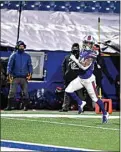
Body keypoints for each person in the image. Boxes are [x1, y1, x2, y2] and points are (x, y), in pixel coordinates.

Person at [65, 35, 109, 123]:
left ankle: (105, 113)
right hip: (81, 78)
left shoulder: (93, 54)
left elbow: (84, 67)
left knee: (95, 99)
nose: (88, 44)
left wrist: (74, 59)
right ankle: (81, 102)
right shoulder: (83, 51)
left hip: (89, 80)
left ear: (92, 44)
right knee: (68, 90)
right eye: (86, 42)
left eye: (90, 43)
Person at [4, 41, 33, 111]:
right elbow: (9, 65)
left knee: (25, 92)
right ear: (17, 47)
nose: (21, 47)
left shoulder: (27, 56)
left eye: (23, 46)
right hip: (15, 77)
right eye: (20, 46)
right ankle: (9, 106)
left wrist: (30, 73)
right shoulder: (13, 55)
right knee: (12, 92)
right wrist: (8, 74)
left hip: (24, 77)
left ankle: (25, 107)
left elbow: (30, 65)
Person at [59, 43, 85, 112]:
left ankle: (81, 107)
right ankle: (65, 107)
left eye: (76, 48)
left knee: (79, 93)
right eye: (74, 48)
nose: (75, 50)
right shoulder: (67, 57)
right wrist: (64, 75)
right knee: (67, 92)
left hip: (78, 78)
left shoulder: (81, 58)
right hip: (68, 77)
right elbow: (63, 66)